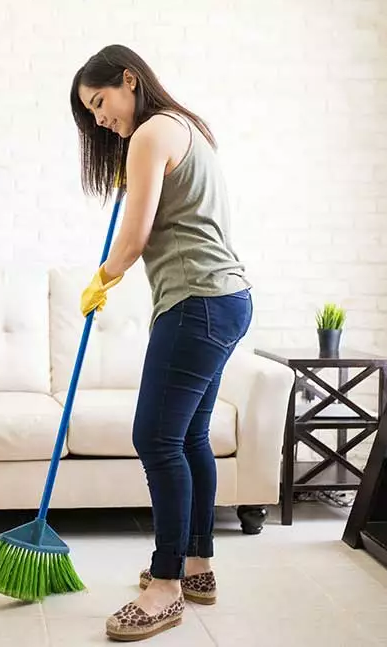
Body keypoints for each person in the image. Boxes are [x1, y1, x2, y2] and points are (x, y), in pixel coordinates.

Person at [70, 44, 254, 642]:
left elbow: (136, 233)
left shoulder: (151, 134)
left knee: (154, 437)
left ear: (130, 80)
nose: (99, 119)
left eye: (100, 103)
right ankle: (198, 566)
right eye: (90, 114)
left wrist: (103, 276)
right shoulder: (185, 128)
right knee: (190, 436)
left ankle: (166, 586)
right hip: (228, 300)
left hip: (196, 303)